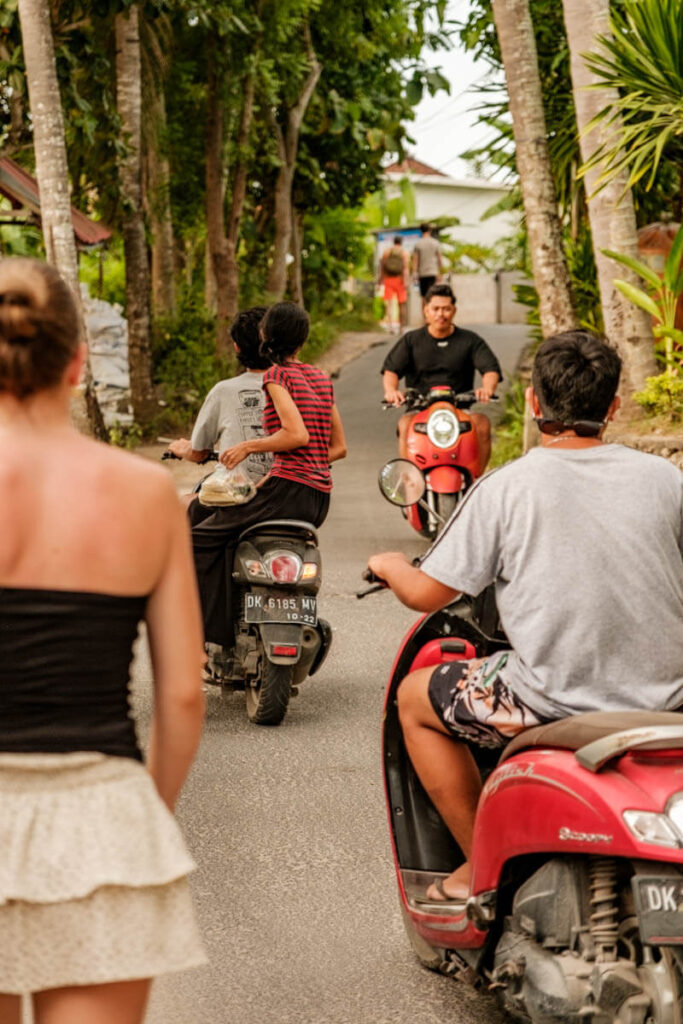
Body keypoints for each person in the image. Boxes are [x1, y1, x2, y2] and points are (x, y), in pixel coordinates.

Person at [369, 329, 683, 905]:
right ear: (613, 407)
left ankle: (478, 864)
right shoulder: (668, 480)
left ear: (534, 403)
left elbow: (425, 595)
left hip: (547, 700)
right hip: (666, 701)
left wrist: (389, 564)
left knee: (415, 699)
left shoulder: (504, 489)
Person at [0, 259, 206, 1024]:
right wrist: (138, 818)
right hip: (98, 812)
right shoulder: (145, 492)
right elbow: (182, 697)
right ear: (77, 361)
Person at [191, 301, 347, 655]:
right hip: (318, 499)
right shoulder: (321, 378)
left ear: (265, 335)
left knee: (197, 539)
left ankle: (211, 637)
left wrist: (249, 446)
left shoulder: (277, 376)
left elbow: (297, 435)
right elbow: (338, 447)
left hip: (287, 491)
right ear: (302, 341)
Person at [381, 283, 502, 474]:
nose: (441, 314)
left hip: (459, 409)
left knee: (482, 423)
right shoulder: (411, 340)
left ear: (454, 311)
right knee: (405, 424)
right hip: (420, 410)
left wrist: (487, 388)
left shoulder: (470, 340)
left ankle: (476, 483)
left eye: (446, 309)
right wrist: (391, 392)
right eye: (435, 309)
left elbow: (490, 370)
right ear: (426, 311)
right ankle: (411, 482)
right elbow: (391, 371)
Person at [168, 306, 272, 484]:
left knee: (186, 507)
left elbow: (199, 452)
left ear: (237, 347)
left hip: (234, 489)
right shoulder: (295, 387)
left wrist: (180, 448)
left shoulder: (223, 391)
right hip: (285, 490)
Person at [378, 235, 410, 332]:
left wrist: (381, 279)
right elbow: (405, 268)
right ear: (401, 242)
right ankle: (401, 327)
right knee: (401, 304)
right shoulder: (404, 253)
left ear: (394, 242)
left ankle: (390, 326)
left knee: (389, 304)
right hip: (400, 280)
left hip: (388, 279)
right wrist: (406, 281)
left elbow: (382, 267)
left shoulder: (387, 252)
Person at [412, 222, 443, 298]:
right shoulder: (435, 243)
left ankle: (424, 310)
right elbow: (439, 259)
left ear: (421, 230)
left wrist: (414, 273)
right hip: (433, 272)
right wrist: (440, 272)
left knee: (424, 297)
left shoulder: (418, 244)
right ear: (430, 230)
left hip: (422, 274)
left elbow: (415, 260)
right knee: (432, 296)